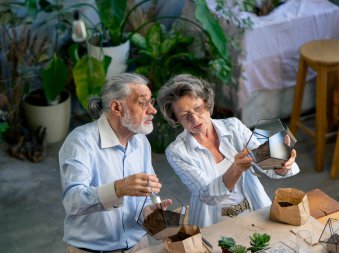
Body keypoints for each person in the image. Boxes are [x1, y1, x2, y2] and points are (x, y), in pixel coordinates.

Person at [157, 74, 300, 228]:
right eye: (185, 116)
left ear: (207, 103)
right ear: (176, 119)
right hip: (213, 223)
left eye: (198, 108)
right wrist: (236, 169)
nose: (195, 119)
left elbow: (265, 164)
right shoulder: (176, 152)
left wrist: (280, 164)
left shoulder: (233, 126)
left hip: (255, 209)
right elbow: (207, 196)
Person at [59, 73, 161, 253]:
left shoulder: (141, 141)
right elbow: (72, 201)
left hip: (139, 245)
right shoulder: (81, 141)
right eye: (143, 103)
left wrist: (148, 211)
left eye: (151, 102)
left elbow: (145, 195)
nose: (153, 110)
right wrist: (117, 189)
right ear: (117, 107)